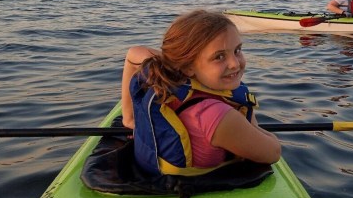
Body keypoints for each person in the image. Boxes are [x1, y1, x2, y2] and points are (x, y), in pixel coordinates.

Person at [120, 10, 280, 176]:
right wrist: (246, 109)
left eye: (237, 50)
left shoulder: (169, 71)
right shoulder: (218, 116)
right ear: (187, 66)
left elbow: (133, 53)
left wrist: (129, 118)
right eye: (219, 57)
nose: (234, 63)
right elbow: (273, 152)